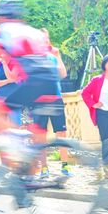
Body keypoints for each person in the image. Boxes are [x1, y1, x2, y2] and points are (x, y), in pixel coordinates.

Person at [32, 28, 72, 177]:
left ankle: (65, 166)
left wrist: (58, 55)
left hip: (55, 99)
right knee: (41, 135)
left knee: (61, 133)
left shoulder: (52, 56)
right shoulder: (33, 58)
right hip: (39, 101)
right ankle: (44, 168)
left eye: (46, 38)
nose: (45, 40)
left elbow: (63, 74)